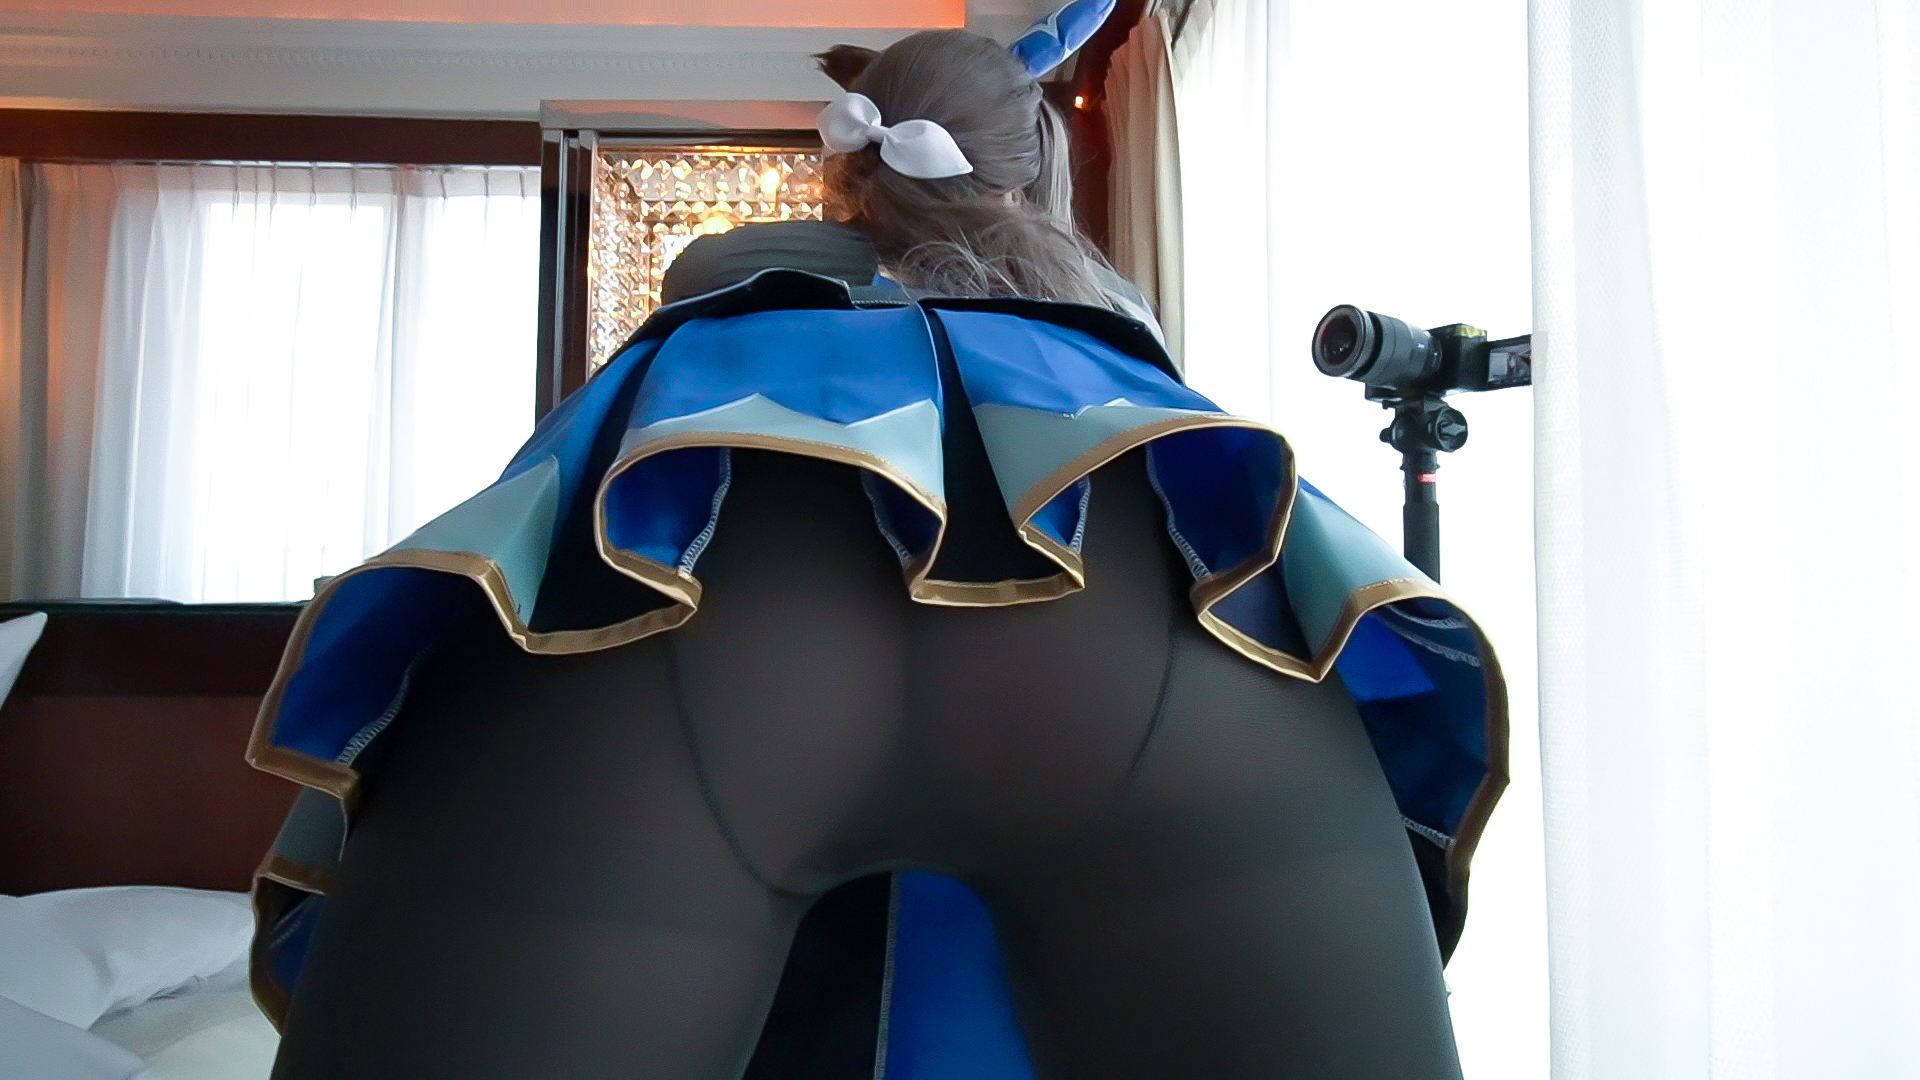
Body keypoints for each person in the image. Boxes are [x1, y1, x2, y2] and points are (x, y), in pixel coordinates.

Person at [247, 12, 1507, 1080]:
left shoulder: (707, 306)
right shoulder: (1115, 340)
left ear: (846, 165)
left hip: (690, 630)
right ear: (1026, 174)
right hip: (1150, 641)